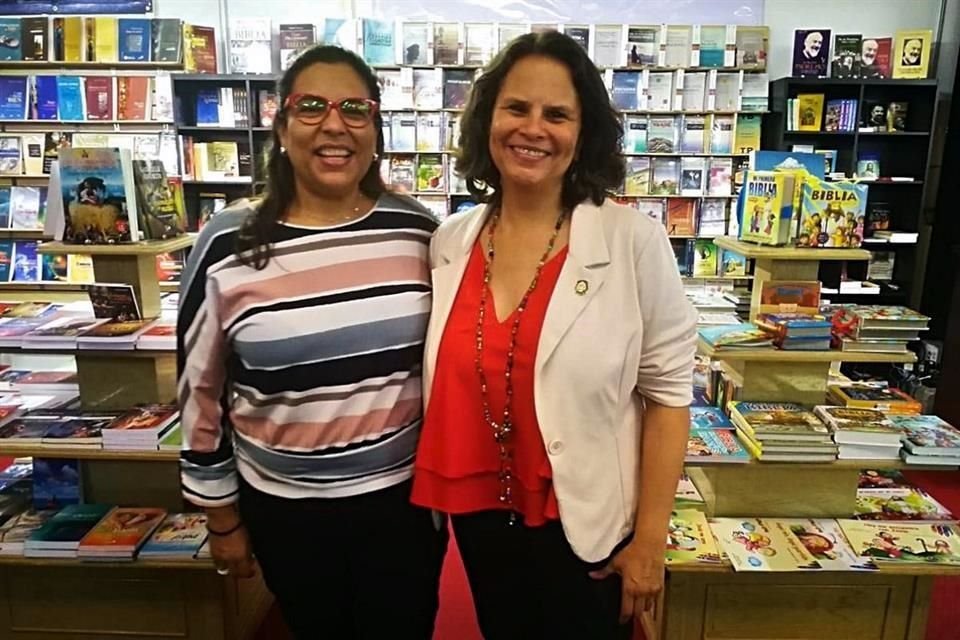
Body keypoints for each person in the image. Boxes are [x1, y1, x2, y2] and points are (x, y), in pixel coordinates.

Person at [411, 31, 696, 639]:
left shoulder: (632, 242)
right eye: (516, 107)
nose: (532, 129)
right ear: (488, 118)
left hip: (588, 526)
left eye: (556, 114)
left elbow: (669, 399)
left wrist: (649, 542)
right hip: (483, 520)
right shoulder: (450, 243)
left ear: (583, 131)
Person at [177, 45, 446, 640]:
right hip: (283, 510)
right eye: (312, 106)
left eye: (355, 108)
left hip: (401, 507)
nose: (334, 124)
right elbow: (199, 390)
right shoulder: (226, 243)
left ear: (375, 128)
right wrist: (222, 518)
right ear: (280, 125)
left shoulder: (419, 232)